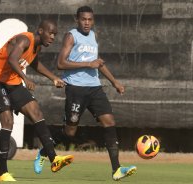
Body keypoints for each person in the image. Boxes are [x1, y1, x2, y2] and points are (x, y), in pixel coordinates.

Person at [33, 6, 137, 181]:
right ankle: (44, 151)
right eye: (83, 19)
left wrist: (114, 82)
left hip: (95, 88)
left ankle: (117, 169)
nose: (87, 23)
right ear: (77, 20)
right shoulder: (71, 36)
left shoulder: (94, 36)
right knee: (70, 132)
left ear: (93, 20)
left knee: (109, 122)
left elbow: (98, 63)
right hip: (76, 89)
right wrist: (88, 65)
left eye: (90, 19)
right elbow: (60, 63)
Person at [0, 19, 74, 182]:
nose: (53, 37)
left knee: (36, 112)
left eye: (55, 34)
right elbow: (12, 59)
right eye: (51, 33)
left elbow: (35, 64)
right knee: (7, 122)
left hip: (13, 83)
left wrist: (53, 78)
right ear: (40, 31)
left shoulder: (36, 47)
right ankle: (2, 173)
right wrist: (25, 78)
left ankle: (54, 160)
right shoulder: (25, 40)